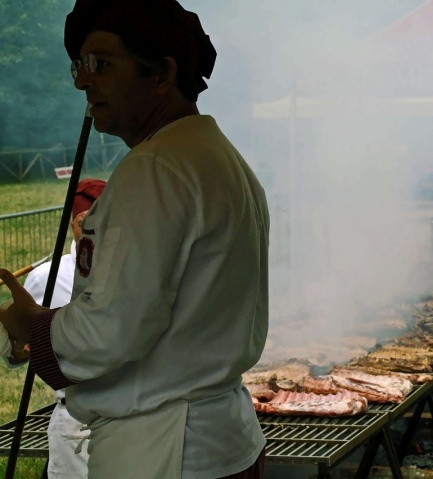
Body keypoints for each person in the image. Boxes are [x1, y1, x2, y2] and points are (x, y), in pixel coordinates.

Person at [0, 1, 270, 478]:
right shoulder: (215, 157)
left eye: (102, 64)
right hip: (216, 438)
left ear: (162, 73)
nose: (83, 81)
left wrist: (32, 325)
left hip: (162, 450)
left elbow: (109, 332)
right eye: (79, 66)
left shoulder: (156, 168)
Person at [21, 178, 106, 479]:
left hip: (133, 414)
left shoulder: (138, 271)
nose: (95, 232)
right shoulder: (47, 277)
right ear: (72, 224)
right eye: (85, 222)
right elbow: (17, 350)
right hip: (76, 419)